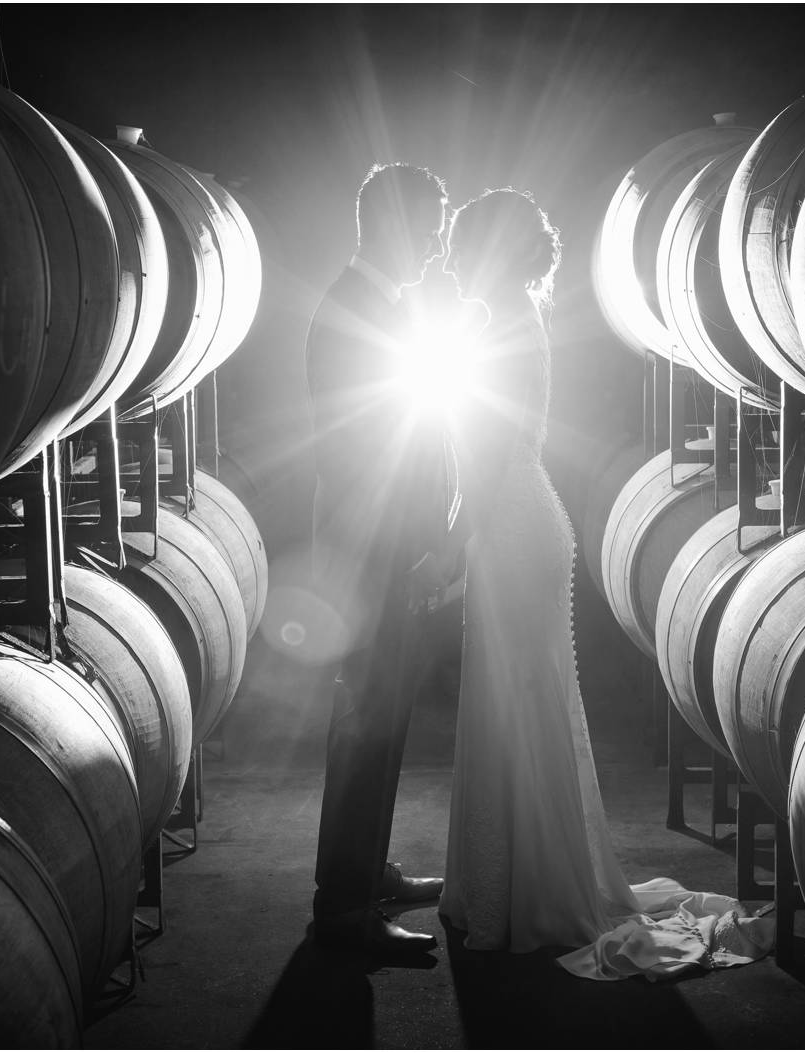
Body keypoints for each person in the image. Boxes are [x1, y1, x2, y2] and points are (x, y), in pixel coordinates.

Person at [432, 188, 775, 979]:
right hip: (517, 518)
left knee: (519, 705)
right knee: (515, 704)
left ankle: (523, 893)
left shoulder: (499, 326)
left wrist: (453, 544)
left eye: (461, 243)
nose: (452, 257)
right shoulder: (510, 320)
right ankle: (503, 885)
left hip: (510, 525)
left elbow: (486, 454)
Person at [305, 161, 462, 956]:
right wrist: (414, 552)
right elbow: (370, 455)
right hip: (374, 558)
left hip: (384, 552)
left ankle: (367, 871)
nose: (436, 244)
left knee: (382, 723)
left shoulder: (378, 305)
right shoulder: (355, 311)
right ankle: (343, 911)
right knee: (366, 729)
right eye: (430, 227)